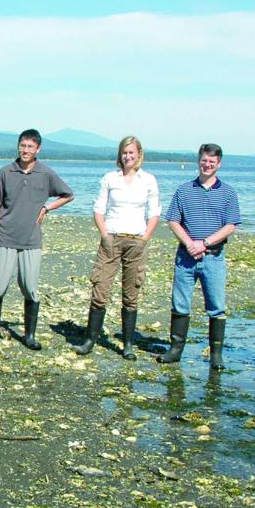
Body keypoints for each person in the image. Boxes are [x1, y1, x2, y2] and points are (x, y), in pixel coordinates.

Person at [0, 129, 74, 349]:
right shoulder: (5, 172)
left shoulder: (46, 174)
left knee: (30, 288)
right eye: (22, 146)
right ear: (18, 146)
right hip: (5, 237)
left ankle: (29, 336)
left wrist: (47, 208)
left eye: (30, 147)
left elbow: (68, 195)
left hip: (31, 241)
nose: (25, 150)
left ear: (38, 149)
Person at [73, 135, 161, 359]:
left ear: (139, 154)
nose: (128, 156)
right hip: (111, 238)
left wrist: (145, 239)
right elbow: (98, 209)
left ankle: (128, 344)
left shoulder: (148, 180)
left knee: (131, 294)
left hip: (136, 241)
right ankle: (90, 339)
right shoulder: (110, 178)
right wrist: (104, 235)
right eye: (124, 152)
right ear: (119, 154)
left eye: (132, 152)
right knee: (100, 290)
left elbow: (154, 213)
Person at [156, 143, 241, 368]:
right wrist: (189, 243)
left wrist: (204, 243)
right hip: (185, 257)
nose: (207, 164)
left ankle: (216, 354)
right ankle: (175, 350)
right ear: (199, 161)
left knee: (216, 305)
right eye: (204, 160)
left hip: (213, 256)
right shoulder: (184, 190)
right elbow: (173, 220)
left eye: (212, 161)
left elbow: (231, 225)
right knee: (180, 303)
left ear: (219, 164)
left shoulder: (228, 192)